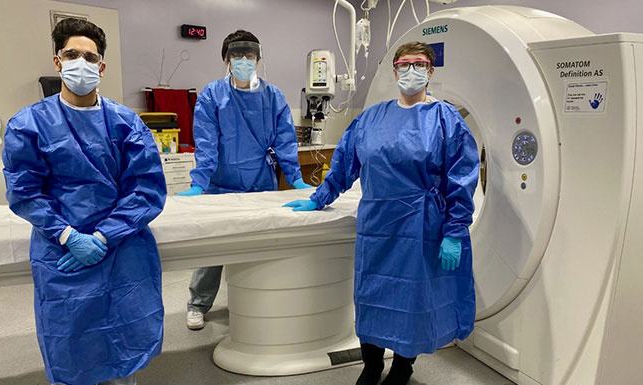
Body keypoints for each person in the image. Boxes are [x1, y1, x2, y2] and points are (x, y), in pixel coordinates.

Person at [284, 41, 480, 385]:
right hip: (376, 226)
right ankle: (371, 366)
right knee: (371, 296)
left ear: (431, 71)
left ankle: (403, 367)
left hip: (420, 227)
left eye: (419, 65)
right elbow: (345, 163)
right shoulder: (372, 118)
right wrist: (319, 197)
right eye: (403, 65)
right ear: (394, 70)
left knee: (412, 298)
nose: (410, 71)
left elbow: (460, 180)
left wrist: (453, 231)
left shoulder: (446, 121)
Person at [2, 18, 166, 385]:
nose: (81, 63)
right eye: (72, 54)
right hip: (61, 251)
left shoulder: (127, 124)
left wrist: (104, 235)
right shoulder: (29, 124)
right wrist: (67, 235)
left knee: (125, 341)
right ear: (57, 62)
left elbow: (146, 190)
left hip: (122, 247)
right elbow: (25, 191)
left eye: (89, 57)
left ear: (102, 67)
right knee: (73, 345)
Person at [177, 30, 312, 330]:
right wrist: (199, 182)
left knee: (260, 245)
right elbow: (207, 142)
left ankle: (259, 299)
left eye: (249, 56)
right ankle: (197, 304)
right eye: (237, 56)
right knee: (213, 249)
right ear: (226, 60)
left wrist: (296, 179)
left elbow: (286, 141)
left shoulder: (272, 96)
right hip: (220, 185)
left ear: (258, 59)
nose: (243, 61)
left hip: (260, 184)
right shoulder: (213, 95)